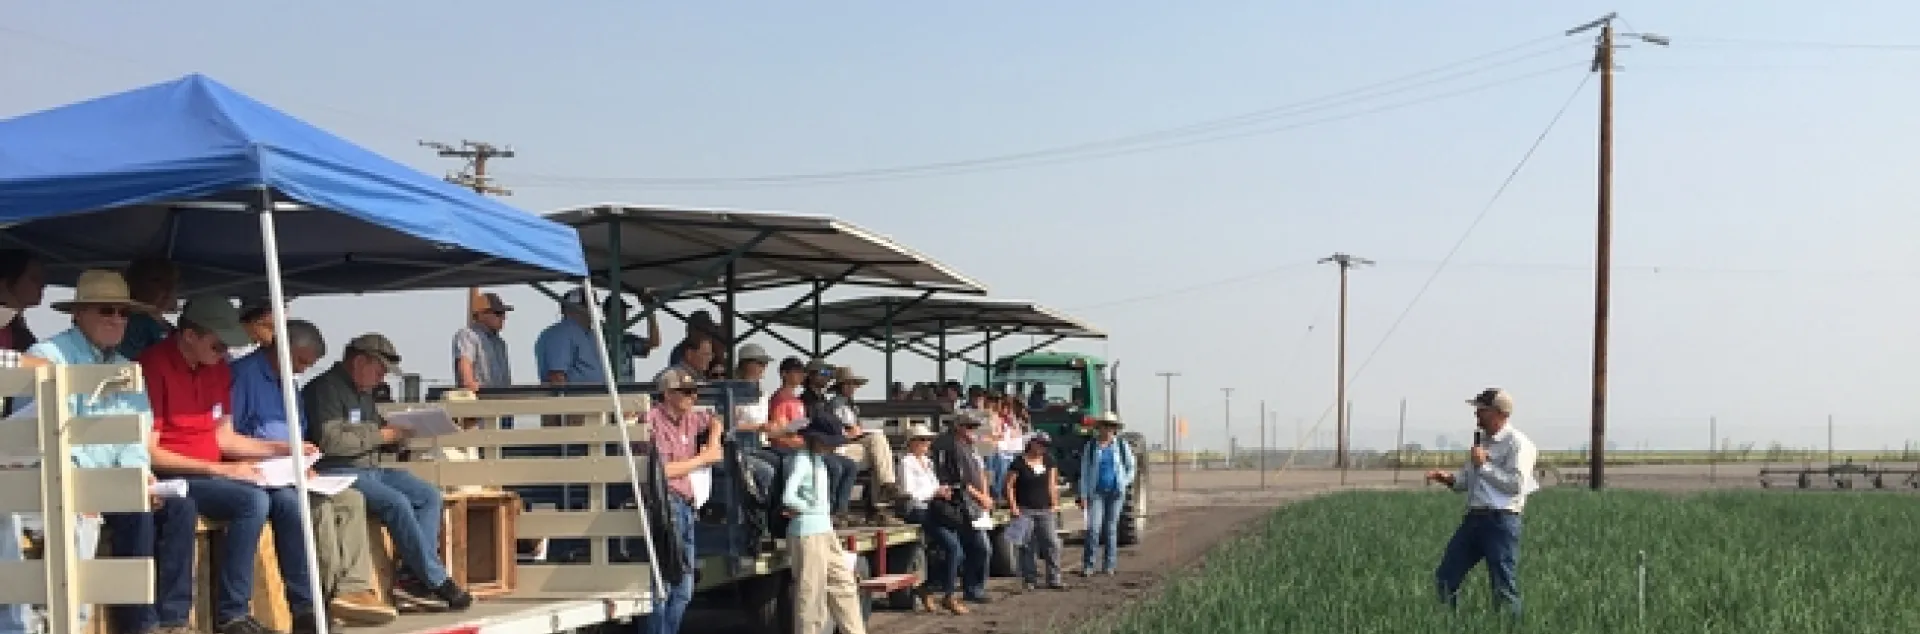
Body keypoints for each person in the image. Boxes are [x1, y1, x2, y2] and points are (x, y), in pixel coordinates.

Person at [2, 269, 197, 634]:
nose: (116, 319)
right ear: (78, 313)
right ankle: (68, 623)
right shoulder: (45, 355)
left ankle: (166, 621)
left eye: (123, 313)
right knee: (78, 515)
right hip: (49, 481)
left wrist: (139, 477)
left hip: (98, 482)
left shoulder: (127, 369)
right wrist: (90, 482)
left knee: (172, 505)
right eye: (106, 310)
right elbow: (28, 437)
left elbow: (134, 439)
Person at [138, 294, 323, 634]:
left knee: (286, 501)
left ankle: (306, 608)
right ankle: (231, 613)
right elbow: (149, 451)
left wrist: (285, 448)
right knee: (252, 500)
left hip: (210, 471)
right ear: (189, 336)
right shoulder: (152, 367)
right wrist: (220, 469)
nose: (224, 353)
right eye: (218, 344)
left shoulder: (217, 369)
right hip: (172, 473)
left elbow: (225, 438)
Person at [228, 320, 397, 626]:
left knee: (351, 500)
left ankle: (354, 590)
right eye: (301, 361)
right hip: (259, 470)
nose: (304, 370)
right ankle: (325, 597)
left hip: (293, 469)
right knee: (313, 507)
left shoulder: (289, 379)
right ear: (281, 348)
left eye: (309, 364)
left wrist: (304, 464)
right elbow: (231, 436)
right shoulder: (243, 376)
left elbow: (300, 430)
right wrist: (280, 454)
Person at [303, 334, 474, 613]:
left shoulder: (363, 392)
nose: (382, 378)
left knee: (429, 495)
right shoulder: (324, 390)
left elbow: (373, 432)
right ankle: (435, 579)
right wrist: (382, 434)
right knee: (396, 502)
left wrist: (399, 434)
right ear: (359, 362)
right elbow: (330, 442)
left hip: (370, 468)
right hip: (337, 470)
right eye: (380, 370)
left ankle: (410, 577)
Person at [1425, 387, 1539, 618]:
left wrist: (1483, 466)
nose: (1476, 415)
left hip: (1501, 521)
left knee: (1503, 586)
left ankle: (1509, 628)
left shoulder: (1518, 444)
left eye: (1482, 410)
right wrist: (1446, 478)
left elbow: (1516, 485)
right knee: (1445, 577)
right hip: (1473, 520)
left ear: (1500, 413)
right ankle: (1449, 623)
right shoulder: (1482, 442)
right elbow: (1465, 481)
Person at [642, 368, 725, 634]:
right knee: (665, 584)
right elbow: (661, 471)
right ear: (667, 394)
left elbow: (716, 418)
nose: (693, 396)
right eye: (687, 392)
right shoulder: (652, 421)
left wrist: (712, 441)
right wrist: (704, 458)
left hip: (685, 505)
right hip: (665, 505)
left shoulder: (690, 418)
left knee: (683, 588)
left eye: (694, 392)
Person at [781, 416, 869, 634]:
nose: (833, 446)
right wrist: (809, 508)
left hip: (823, 530)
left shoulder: (818, 459)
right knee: (811, 597)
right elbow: (789, 496)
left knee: (844, 585)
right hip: (808, 532)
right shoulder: (801, 460)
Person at [926, 412, 994, 611]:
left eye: (974, 427)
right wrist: (981, 497)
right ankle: (970, 589)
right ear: (959, 428)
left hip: (974, 503)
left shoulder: (971, 448)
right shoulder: (953, 447)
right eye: (969, 427)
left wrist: (985, 495)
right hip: (962, 504)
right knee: (978, 547)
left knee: (973, 548)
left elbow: (980, 473)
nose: (973, 430)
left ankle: (970, 588)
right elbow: (960, 482)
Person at [826, 366, 903, 525]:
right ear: (840, 386)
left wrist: (857, 431)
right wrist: (852, 431)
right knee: (878, 442)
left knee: (878, 454)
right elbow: (840, 429)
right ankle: (883, 496)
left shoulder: (851, 405)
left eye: (853, 384)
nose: (851, 388)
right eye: (847, 384)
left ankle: (881, 502)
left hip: (853, 445)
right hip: (840, 446)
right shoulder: (835, 404)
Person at [796, 361, 861, 525]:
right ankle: (828, 511)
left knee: (850, 465)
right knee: (835, 467)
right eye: (823, 373)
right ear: (810, 375)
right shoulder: (805, 399)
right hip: (814, 444)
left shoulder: (823, 399)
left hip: (827, 443)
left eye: (828, 374)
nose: (827, 377)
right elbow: (808, 422)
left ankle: (841, 511)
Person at [1077, 412, 1135, 577]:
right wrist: (1083, 494)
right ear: (1099, 427)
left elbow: (1131, 467)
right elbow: (1085, 472)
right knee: (1093, 529)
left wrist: (1124, 482)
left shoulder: (1121, 446)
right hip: (1097, 493)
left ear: (1115, 429)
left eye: (1111, 426)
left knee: (1110, 529)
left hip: (1116, 493)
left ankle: (1109, 565)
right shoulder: (1092, 447)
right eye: (1105, 426)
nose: (1108, 429)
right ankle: (1089, 565)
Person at [1005, 432, 1064, 591]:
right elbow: (1009, 486)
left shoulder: (1049, 461)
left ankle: (1054, 578)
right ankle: (1029, 579)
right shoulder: (1018, 463)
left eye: (1045, 445)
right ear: (1031, 443)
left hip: (1045, 509)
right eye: (1040, 444)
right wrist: (1013, 506)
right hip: (1025, 509)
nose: (1042, 447)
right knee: (1027, 545)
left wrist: (1055, 503)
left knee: (1052, 543)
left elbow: (1052, 484)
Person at [894, 423, 942, 612]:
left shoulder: (928, 463)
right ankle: (923, 589)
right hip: (915, 508)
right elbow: (909, 492)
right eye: (922, 440)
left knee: (947, 542)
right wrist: (934, 491)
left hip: (930, 506)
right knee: (931, 544)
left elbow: (933, 486)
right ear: (912, 443)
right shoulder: (906, 462)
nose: (927, 443)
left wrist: (940, 491)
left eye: (928, 440)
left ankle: (928, 587)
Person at [0, 250, 45, 417]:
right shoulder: (7, 325)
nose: (42, 285)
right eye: (33, 278)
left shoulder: (16, 326)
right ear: (6, 282)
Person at [117, 257, 178, 360]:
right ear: (135, 284)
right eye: (157, 281)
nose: (168, 287)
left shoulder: (170, 328)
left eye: (172, 281)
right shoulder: (131, 324)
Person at [452, 291, 513, 393]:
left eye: (503, 313)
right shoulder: (468, 335)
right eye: (498, 313)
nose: (503, 318)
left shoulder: (500, 344)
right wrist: (469, 385)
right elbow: (465, 365)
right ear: (481, 314)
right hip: (480, 401)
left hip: (500, 400)